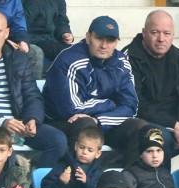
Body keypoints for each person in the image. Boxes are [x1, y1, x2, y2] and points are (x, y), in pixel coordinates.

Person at [0, 13, 65, 164]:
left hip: (19, 123)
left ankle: (29, 174)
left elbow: (32, 94)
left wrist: (32, 119)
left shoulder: (18, 58)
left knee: (57, 140)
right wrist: (2, 121)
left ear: (6, 33)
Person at [43, 16, 143, 154]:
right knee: (86, 126)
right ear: (88, 37)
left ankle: (128, 168)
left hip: (99, 122)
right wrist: (111, 103)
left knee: (140, 128)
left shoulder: (121, 62)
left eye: (110, 40)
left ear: (116, 42)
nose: (104, 45)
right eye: (99, 38)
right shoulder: (69, 60)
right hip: (63, 122)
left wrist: (99, 120)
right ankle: (76, 168)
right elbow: (72, 109)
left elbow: (131, 106)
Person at [124, 11, 179, 159]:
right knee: (160, 137)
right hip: (149, 123)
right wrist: (174, 125)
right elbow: (135, 103)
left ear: (173, 35)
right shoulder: (128, 58)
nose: (161, 39)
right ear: (144, 33)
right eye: (155, 32)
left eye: (167, 33)